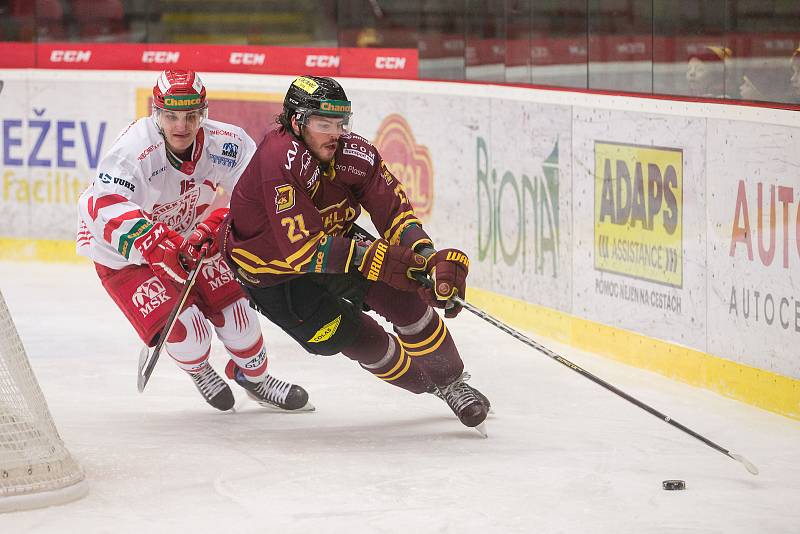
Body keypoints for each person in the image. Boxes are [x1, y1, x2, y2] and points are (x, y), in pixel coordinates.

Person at [217, 75, 491, 433]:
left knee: (406, 299)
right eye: (323, 124)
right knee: (358, 339)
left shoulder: (354, 154)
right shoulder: (278, 161)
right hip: (274, 275)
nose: (335, 133)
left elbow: (395, 214)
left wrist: (426, 257)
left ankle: (452, 383)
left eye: (340, 123)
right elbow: (302, 251)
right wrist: (374, 258)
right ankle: (429, 386)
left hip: (335, 242)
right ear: (296, 122)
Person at [76, 69, 311, 412]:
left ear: (204, 113)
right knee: (190, 334)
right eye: (171, 115)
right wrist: (155, 244)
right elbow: (101, 205)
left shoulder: (225, 143)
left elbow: (258, 192)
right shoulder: (134, 150)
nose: (180, 126)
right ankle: (199, 369)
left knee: (240, 320)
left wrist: (216, 225)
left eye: (190, 116)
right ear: (157, 114)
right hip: (122, 254)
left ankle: (255, 380)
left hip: (188, 240)